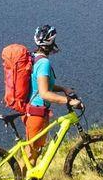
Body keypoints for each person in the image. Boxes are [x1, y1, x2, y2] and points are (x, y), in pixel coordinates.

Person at [24, 25, 79, 165]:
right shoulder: (44, 63)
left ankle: (28, 177)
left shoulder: (34, 57)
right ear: (51, 43)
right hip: (37, 114)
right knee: (31, 155)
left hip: (33, 111)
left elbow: (42, 84)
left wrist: (63, 89)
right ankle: (21, 179)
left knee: (34, 152)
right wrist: (68, 101)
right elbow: (44, 93)